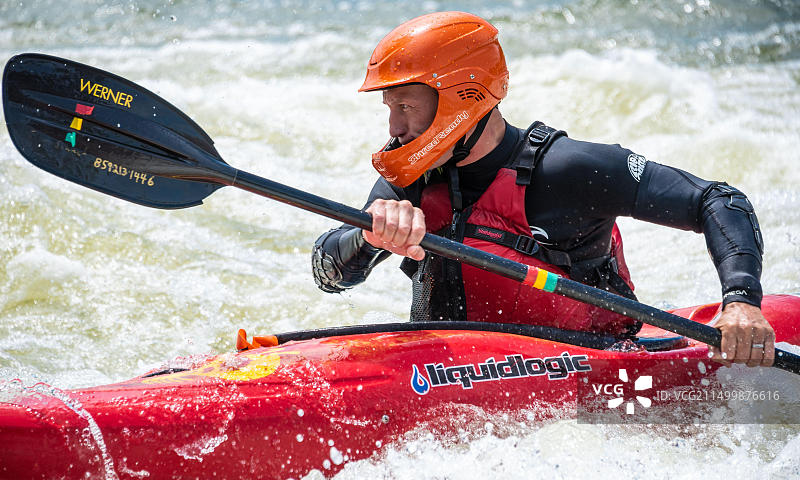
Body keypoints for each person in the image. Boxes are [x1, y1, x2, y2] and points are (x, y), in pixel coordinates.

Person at [311, 11, 775, 367]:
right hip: (447, 372)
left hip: (591, 366)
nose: (395, 126)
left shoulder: (569, 169)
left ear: (463, 96)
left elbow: (716, 199)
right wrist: (367, 236)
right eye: (391, 108)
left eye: (407, 106)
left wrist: (741, 302)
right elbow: (328, 274)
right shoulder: (410, 177)